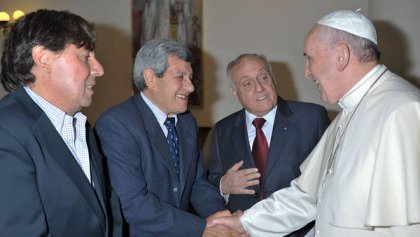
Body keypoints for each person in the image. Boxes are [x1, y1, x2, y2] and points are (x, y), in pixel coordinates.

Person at [209, 9, 420, 237]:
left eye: (309, 58)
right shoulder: (349, 112)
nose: (307, 72)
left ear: (341, 55)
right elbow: (307, 196)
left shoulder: (402, 111)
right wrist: (245, 223)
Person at [95, 38, 239, 237]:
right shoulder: (117, 124)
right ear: (150, 78)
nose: (190, 87)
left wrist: (224, 220)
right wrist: (202, 229)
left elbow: (198, 183)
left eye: (190, 77)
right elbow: (134, 204)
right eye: (180, 77)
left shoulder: (187, 121)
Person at [0, 9, 122, 236]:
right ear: (43, 58)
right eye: (85, 57)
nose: (99, 69)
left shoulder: (81, 126)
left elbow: (106, 211)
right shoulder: (6, 131)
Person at [204, 53, 330, 237]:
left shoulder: (311, 118)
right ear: (235, 93)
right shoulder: (222, 130)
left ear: (274, 80)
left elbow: (329, 179)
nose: (259, 88)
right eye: (247, 83)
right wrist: (224, 185)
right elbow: (207, 183)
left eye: (264, 77)